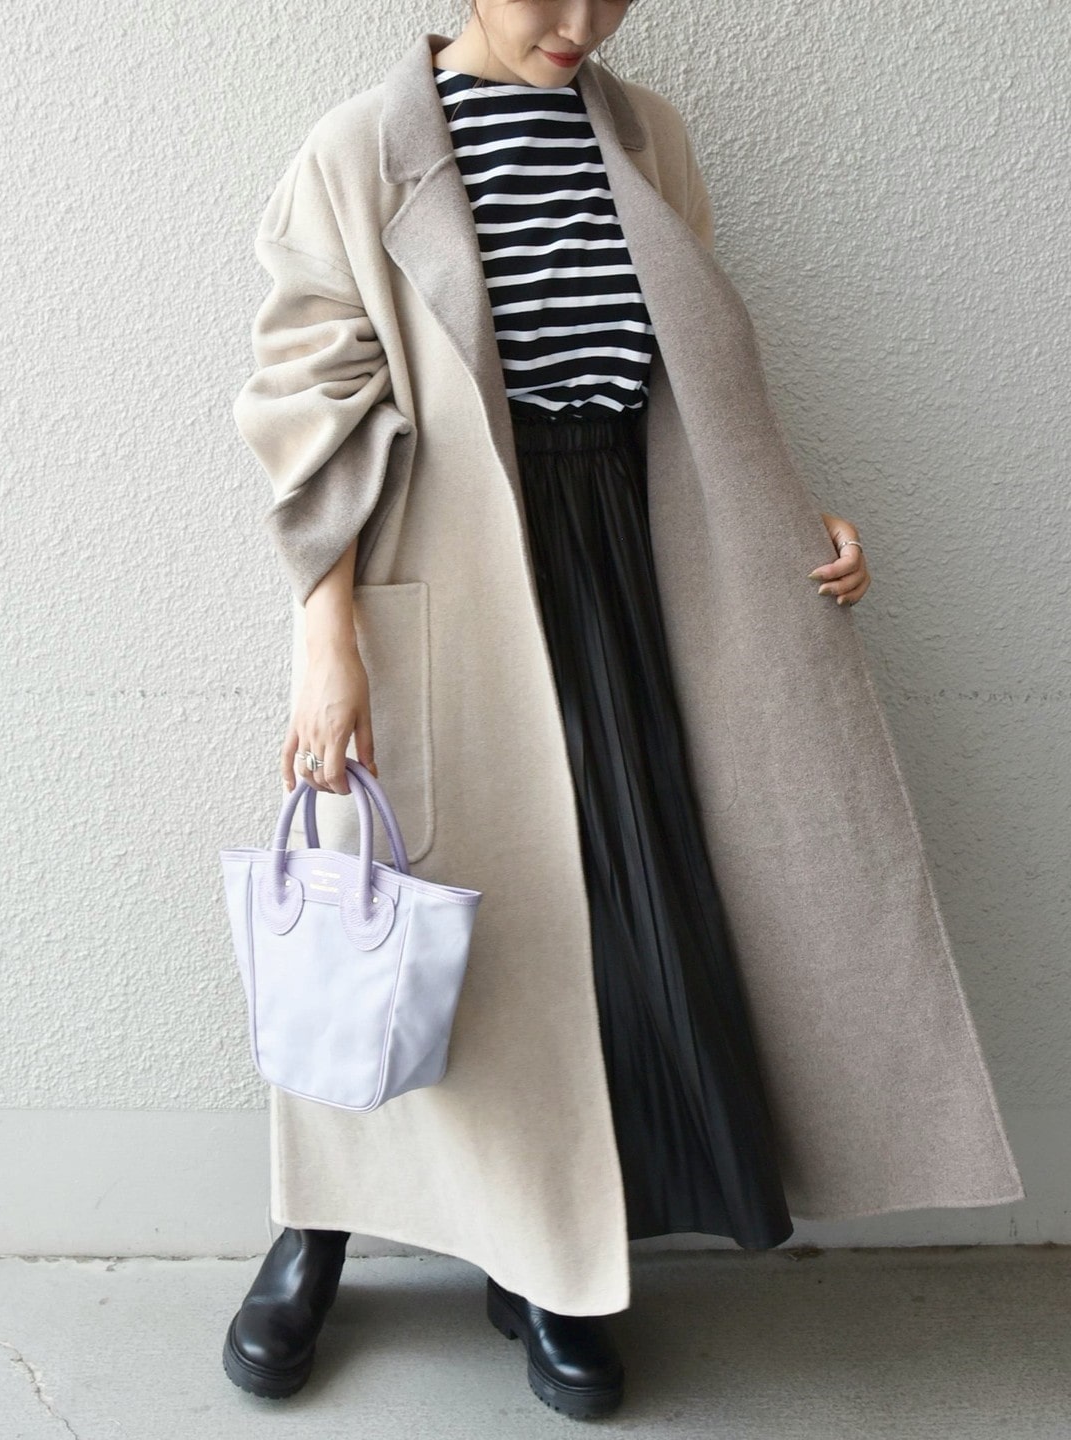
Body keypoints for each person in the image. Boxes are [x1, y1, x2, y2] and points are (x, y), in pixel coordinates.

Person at [221, 0, 1020, 1423]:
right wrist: (324, 638)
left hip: (636, 567)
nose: (583, 22)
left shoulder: (646, 136)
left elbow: (699, 380)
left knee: (597, 924)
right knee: (387, 916)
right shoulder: (358, 151)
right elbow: (309, 413)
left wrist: (794, 515)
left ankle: (544, 1258)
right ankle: (315, 1232)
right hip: (448, 570)